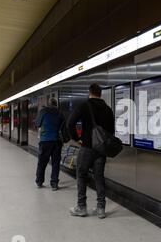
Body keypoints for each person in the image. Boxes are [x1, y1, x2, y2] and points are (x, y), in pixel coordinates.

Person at [67, 83, 115, 219]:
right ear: (100, 93)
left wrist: (77, 139)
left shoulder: (85, 105)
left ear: (90, 92)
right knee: (99, 176)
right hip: (101, 149)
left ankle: (81, 207)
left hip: (87, 146)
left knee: (81, 174)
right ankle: (101, 208)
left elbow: (70, 123)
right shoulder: (108, 109)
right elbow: (111, 131)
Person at [35, 97, 65, 191]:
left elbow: (37, 124)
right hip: (57, 141)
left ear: (48, 104)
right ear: (56, 104)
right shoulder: (60, 113)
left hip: (45, 141)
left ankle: (39, 181)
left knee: (42, 162)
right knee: (56, 163)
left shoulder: (43, 111)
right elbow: (63, 126)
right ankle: (54, 183)